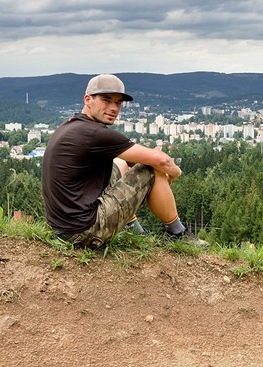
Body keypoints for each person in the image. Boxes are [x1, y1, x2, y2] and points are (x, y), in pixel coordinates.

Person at [41, 73, 208, 248]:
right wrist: (175, 173)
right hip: (85, 232)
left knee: (120, 164)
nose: (114, 107)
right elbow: (162, 161)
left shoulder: (72, 125)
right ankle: (177, 233)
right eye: (106, 100)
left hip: (62, 227)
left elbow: (124, 160)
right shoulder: (95, 133)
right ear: (88, 99)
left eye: (118, 102)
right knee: (151, 169)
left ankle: (133, 229)